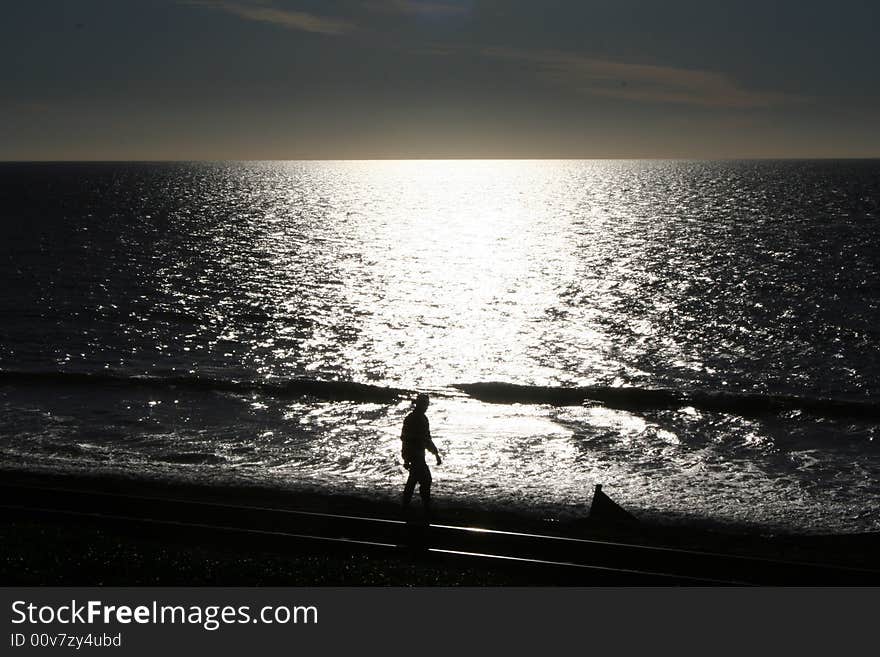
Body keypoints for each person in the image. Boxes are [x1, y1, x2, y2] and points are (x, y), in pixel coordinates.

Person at [401, 393, 441, 514]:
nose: (426, 407)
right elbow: (424, 439)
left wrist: (406, 458)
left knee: (414, 480)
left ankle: (407, 505)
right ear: (419, 404)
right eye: (425, 404)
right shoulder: (418, 419)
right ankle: (424, 506)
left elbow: (422, 439)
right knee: (425, 479)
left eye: (427, 404)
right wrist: (436, 454)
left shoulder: (416, 418)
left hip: (415, 455)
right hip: (416, 455)